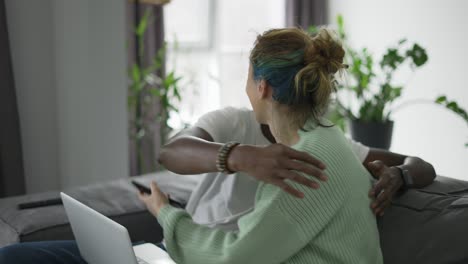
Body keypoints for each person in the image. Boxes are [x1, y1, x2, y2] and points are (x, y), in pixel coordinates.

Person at [0, 28, 436, 263]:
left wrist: (165, 212)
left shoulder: (306, 162)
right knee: (22, 256)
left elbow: (235, 257)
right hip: (188, 249)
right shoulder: (327, 142)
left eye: (248, 77)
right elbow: (171, 152)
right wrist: (244, 157)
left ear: (262, 86)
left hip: (195, 250)